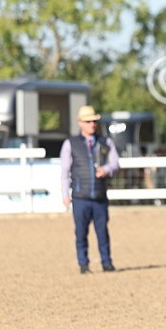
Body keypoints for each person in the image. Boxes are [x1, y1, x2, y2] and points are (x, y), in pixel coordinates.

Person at [61, 105, 120, 274]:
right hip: (81, 196)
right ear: (80, 123)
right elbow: (65, 171)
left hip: (100, 195)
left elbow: (115, 163)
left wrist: (106, 170)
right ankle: (83, 264)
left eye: (94, 121)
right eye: (88, 121)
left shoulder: (106, 142)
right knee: (81, 232)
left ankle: (106, 262)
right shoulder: (70, 144)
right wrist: (65, 194)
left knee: (102, 231)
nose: (92, 124)